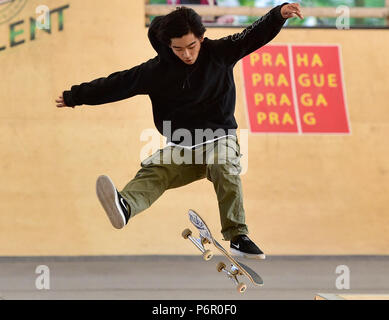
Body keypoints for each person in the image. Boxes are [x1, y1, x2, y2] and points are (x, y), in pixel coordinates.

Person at [56, 3, 304, 259]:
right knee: (156, 169)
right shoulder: (154, 71)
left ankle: (237, 235)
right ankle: (126, 206)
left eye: (192, 46)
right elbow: (116, 84)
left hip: (220, 138)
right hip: (184, 146)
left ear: (201, 38)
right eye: (178, 49)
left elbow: (252, 36)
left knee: (223, 163)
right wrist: (76, 96)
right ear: (167, 45)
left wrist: (277, 15)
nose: (186, 54)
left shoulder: (220, 52)